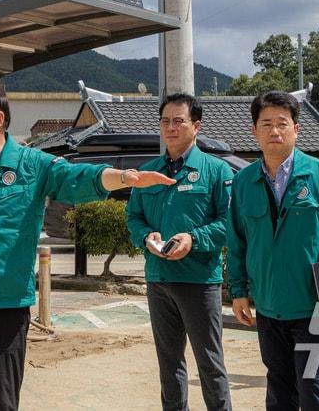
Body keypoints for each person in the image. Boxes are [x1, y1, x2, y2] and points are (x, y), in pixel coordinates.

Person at [0, 83, 174, 410]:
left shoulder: (32, 165)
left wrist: (125, 177)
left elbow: (79, 178)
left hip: (4, 306)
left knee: (3, 401)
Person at [227, 91, 319, 411]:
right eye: (266, 124)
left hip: (314, 303)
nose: (275, 131)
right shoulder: (244, 181)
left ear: (296, 130)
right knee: (279, 386)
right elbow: (237, 241)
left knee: (314, 387)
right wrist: (239, 291)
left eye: (282, 124)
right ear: (254, 131)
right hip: (269, 305)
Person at [125, 93, 233, 411]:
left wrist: (193, 239)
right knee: (169, 366)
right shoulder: (148, 172)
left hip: (199, 281)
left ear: (196, 126)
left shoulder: (216, 171)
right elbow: (134, 218)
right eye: (165, 121)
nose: (170, 127)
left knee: (210, 365)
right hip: (159, 280)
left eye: (178, 121)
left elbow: (230, 223)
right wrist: (146, 237)